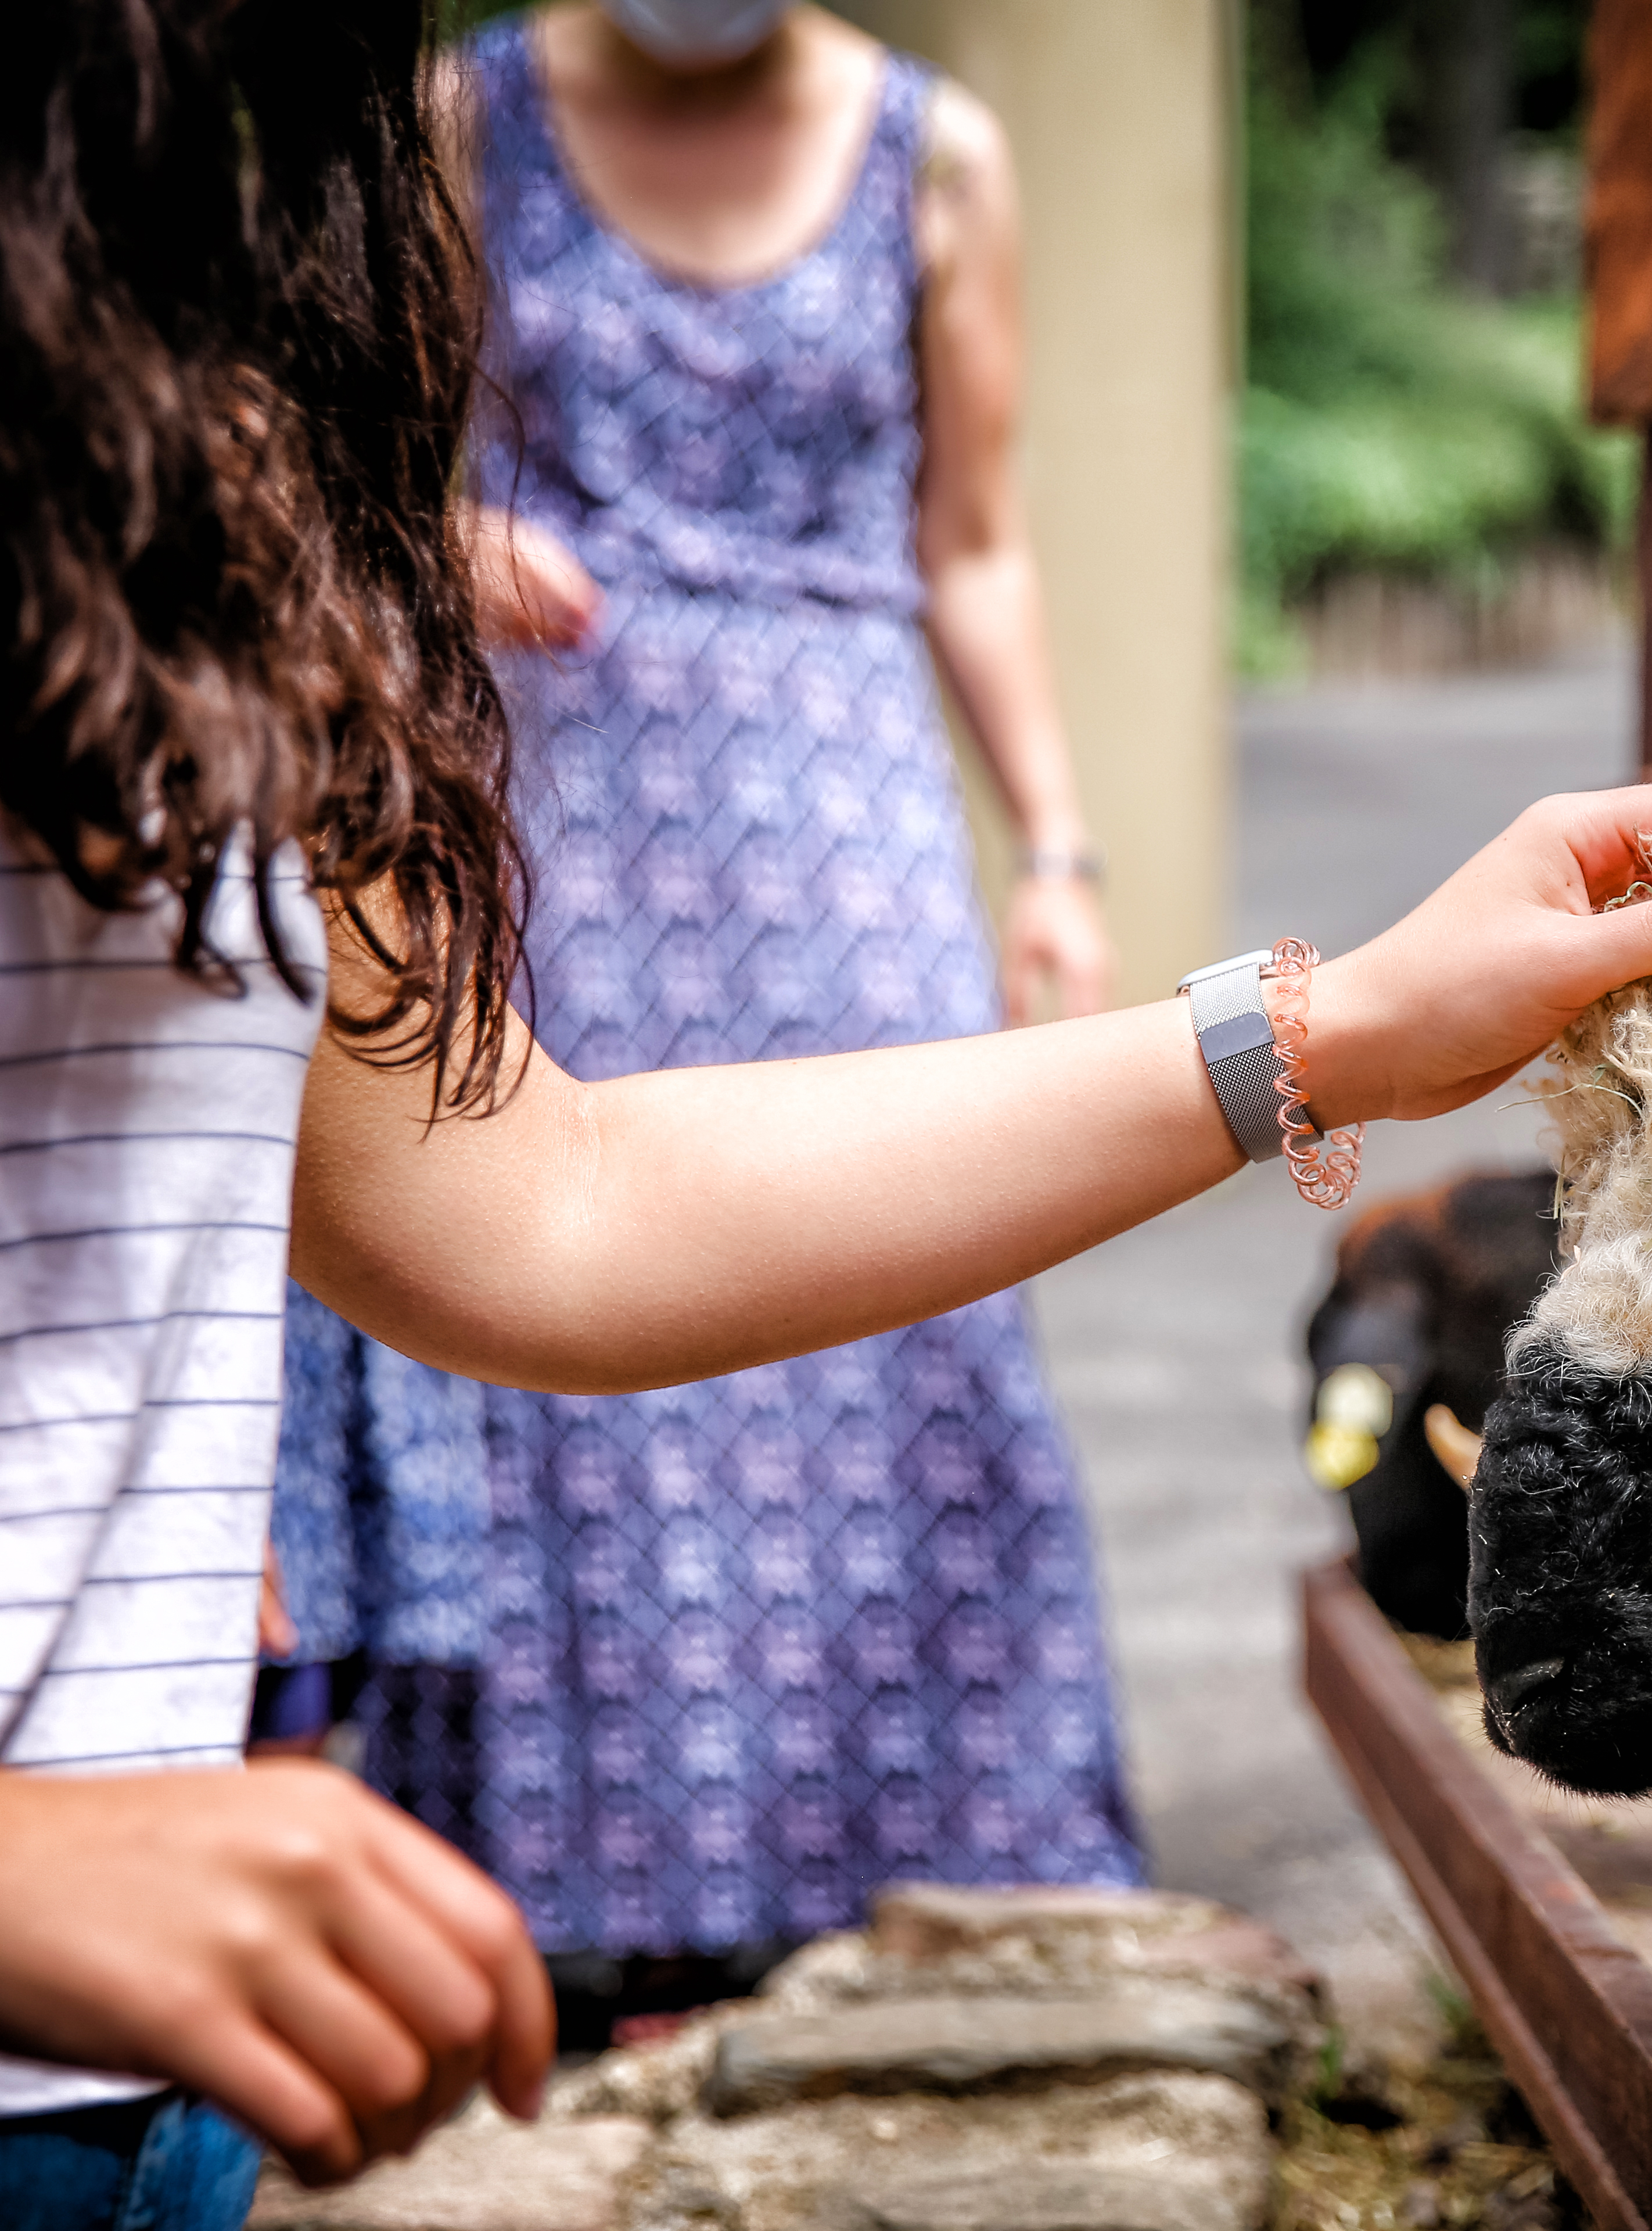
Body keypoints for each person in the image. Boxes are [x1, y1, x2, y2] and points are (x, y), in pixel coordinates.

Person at [0, 4, 1652, 2221]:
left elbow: (534, 1198)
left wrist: (1330, 1025)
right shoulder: (437, 174)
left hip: (128, 2093)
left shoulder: (206, 496)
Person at [268, 0, 1148, 1981]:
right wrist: (447, 538)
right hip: (561, 792)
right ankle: (572, 1922)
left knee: (906, 1283)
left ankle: (938, 1876)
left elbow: (978, 544)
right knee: (545, 1300)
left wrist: (1060, 854)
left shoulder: (937, 153)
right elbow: (345, 476)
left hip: (838, 802)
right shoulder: (462, 113)